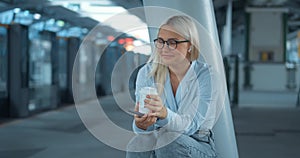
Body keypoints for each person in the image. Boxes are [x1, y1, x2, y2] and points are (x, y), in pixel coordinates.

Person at [126, 15, 218, 158]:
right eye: (161, 41)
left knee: (169, 141)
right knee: (137, 143)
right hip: (159, 138)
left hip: (197, 143)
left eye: (173, 42)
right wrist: (141, 124)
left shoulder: (206, 75)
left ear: (190, 45)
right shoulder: (147, 73)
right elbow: (145, 132)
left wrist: (164, 113)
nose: (164, 48)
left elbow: (192, 125)